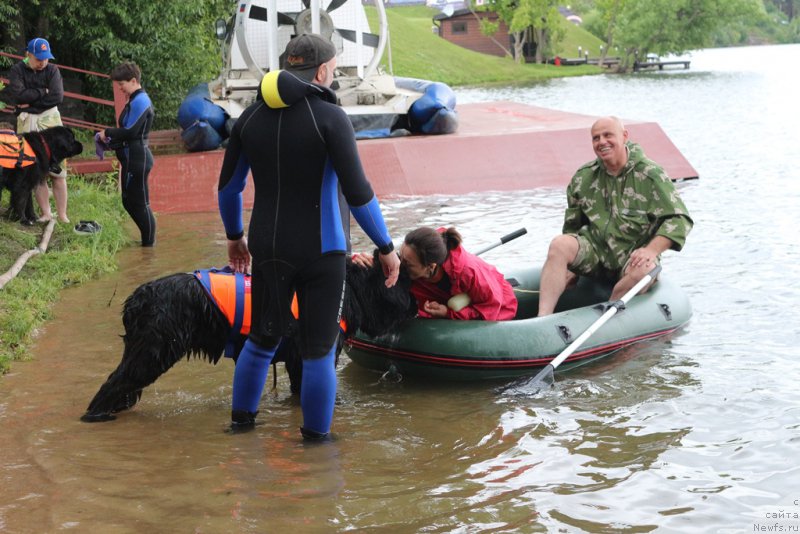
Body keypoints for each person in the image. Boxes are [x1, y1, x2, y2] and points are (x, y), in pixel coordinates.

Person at [217, 33, 401, 440]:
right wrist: (386, 247)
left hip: (266, 246)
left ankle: (241, 428)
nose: (332, 77)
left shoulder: (249, 118)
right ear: (321, 71)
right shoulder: (330, 118)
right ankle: (317, 445)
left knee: (262, 340)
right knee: (318, 351)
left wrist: (234, 237)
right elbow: (358, 192)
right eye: (333, 71)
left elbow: (228, 189)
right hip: (323, 250)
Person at [537, 116, 693, 316]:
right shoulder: (583, 177)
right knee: (559, 244)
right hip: (595, 253)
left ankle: (608, 316)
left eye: (608, 135)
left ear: (624, 136)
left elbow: (679, 219)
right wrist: (572, 268)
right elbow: (572, 227)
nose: (602, 142)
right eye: (596, 138)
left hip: (632, 257)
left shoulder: (650, 175)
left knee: (645, 269)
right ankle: (543, 318)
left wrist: (652, 250)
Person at [2, 37, 69, 223]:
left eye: (46, 58)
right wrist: (43, 92)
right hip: (27, 122)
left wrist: (29, 104)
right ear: (28, 54)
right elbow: (18, 95)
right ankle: (46, 213)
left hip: (50, 121)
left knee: (59, 172)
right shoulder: (17, 71)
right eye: (38, 58)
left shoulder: (53, 70)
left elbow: (57, 96)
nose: (42, 62)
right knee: (34, 171)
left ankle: (62, 215)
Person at [398, 226, 517, 320]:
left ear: (430, 266)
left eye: (408, 264)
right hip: (445, 299)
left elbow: (490, 310)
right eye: (401, 256)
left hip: (498, 307)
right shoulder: (415, 266)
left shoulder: (469, 273)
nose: (400, 266)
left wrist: (448, 313)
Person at [102, 62, 156, 246]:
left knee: (140, 204)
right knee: (127, 201)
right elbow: (127, 132)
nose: (120, 88)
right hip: (131, 158)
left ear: (133, 80)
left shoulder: (141, 100)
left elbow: (131, 131)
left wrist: (107, 133)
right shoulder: (133, 100)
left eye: (122, 84)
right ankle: (146, 243)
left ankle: (149, 247)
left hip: (138, 159)